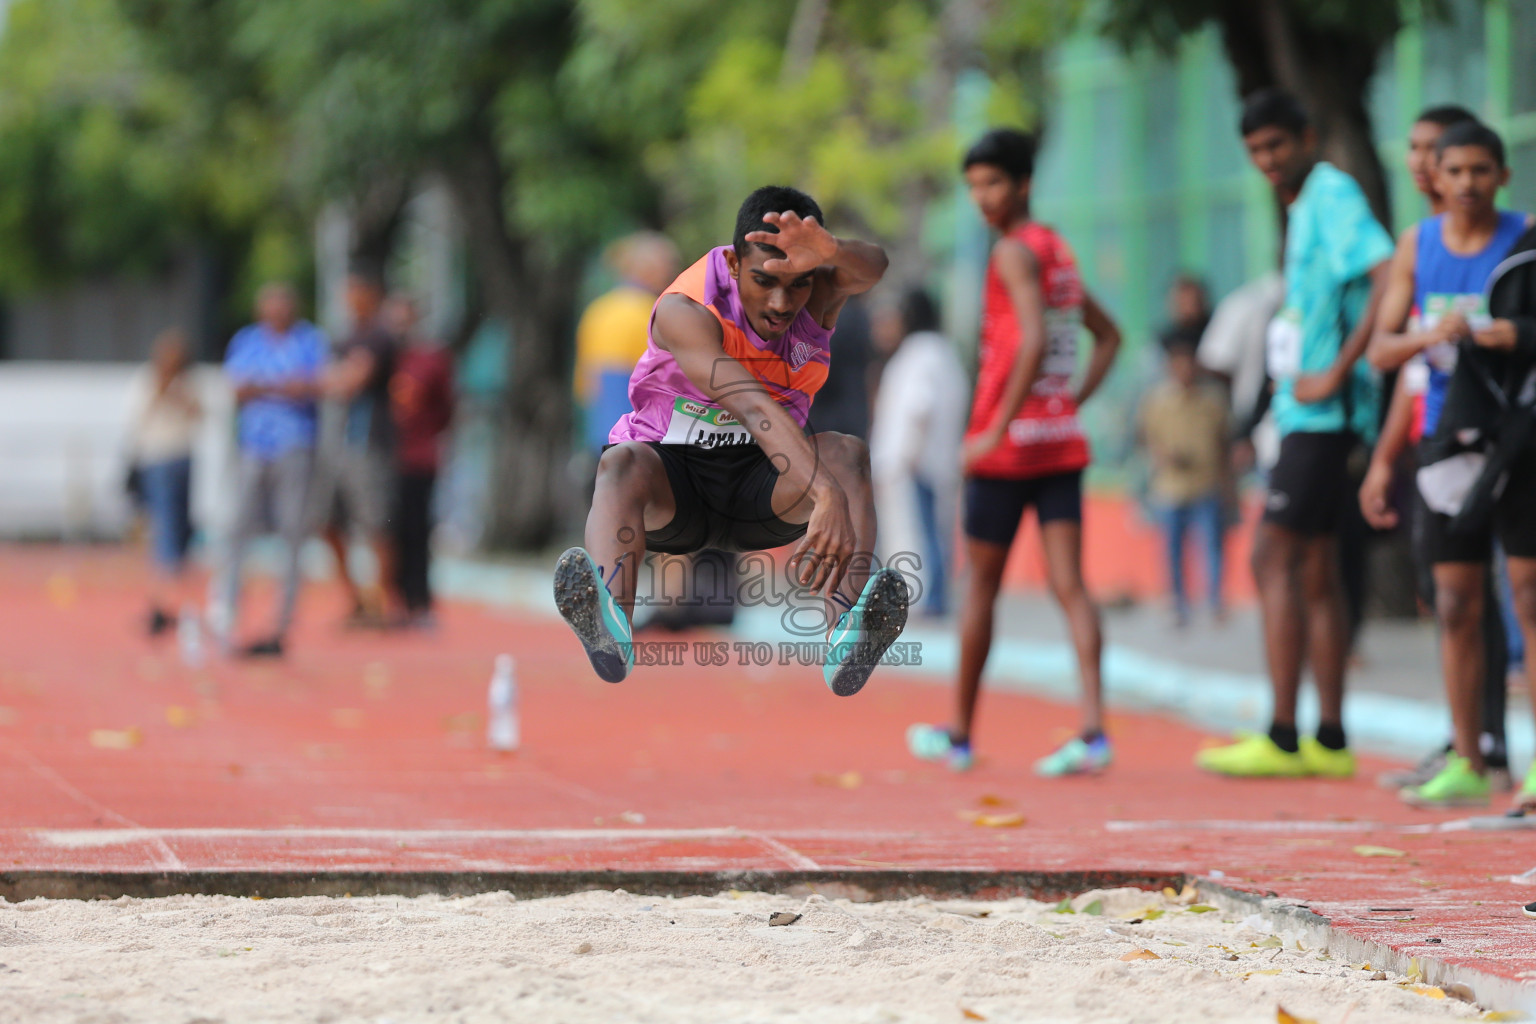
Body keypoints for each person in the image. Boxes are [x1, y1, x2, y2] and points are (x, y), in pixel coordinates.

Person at [553, 186, 907, 696]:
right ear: (735, 263)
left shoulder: (821, 288)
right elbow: (749, 404)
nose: (782, 303)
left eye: (797, 284)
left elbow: (874, 265)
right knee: (621, 464)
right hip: (677, 490)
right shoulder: (685, 308)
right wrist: (825, 494)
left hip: (761, 489)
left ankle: (847, 636)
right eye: (765, 282)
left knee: (848, 454)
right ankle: (610, 624)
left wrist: (830, 251)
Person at [908, 129, 1122, 775]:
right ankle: (1093, 731)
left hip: (1009, 457)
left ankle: (961, 736)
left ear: (1024, 183)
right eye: (973, 186)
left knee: (980, 592)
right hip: (1060, 446)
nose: (982, 198)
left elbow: (1030, 340)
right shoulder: (1057, 251)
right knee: (1070, 587)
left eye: (993, 183)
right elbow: (1109, 337)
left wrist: (996, 429)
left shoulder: (1010, 253)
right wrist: (1068, 403)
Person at [1196, 90, 1392, 780]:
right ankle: (1331, 739)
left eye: (1277, 145)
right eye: (1255, 151)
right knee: (1313, 572)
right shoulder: (1305, 204)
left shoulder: (1333, 194)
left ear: (1306, 136)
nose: (1267, 161)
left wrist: (1337, 369)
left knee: (1270, 559)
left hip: (1325, 415)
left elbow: (1386, 271)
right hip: (1308, 413)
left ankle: (1283, 736)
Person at [1358, 120, 1532, 807]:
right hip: (1443, 441)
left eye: (1479, 170)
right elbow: (1380, 348)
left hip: (1519, 437)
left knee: (1528, 596)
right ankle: (1468, 757)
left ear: (1501, 175)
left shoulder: (1525, 239)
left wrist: (1506, 333)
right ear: (1437, 173)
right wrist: (1432, 334)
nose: (1466, 183)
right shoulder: (1417, 244)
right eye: (1454, 170)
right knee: (1456, 601)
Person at [218, 283, 327, 658]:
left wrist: (269, 387)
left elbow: (313, 384)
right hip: (253, 446)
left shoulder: (309, 340)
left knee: (292, 530)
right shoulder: (247, 340)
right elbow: (238, 388)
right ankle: (227, 609)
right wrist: (283, 387)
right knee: (238, 528)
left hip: (295, 445)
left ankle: (284, 618)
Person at [869, 288, 969, 618]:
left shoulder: (920, 353)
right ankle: (933, 598)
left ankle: (929, 601)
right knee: (933, 531)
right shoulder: (942, 352)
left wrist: (909, 453)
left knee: (917, 533)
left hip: (912, 462)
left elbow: (919, 406)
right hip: (933, 460)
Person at [313, 271, 400, 627]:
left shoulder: (380, 336)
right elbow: (327, 378)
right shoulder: (343, 338)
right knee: (327, 522)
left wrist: (328, 379)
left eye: (356, 291)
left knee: (375, 525)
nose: (350, 299)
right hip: (338, 445)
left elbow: (350, 380)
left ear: (372, 293)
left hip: (370, 444)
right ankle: (357, 599)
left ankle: (381, 603)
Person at [1139, 338, 1231, 627]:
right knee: (1172, 551)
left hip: (1206, 483)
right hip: (1170, 488)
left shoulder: (1212, 402)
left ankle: (1215, 603)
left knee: (1212, 547)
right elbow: (1145, 436)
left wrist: (1228, 483)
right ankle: (1177, 604)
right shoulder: (1157, 401)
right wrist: (1162, 455)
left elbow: (1224, 442)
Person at [574, 232, 681, 452]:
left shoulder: (599, 309)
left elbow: (585, 386)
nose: (674, 272)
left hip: (600, 428)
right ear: (648, 269)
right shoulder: (649, 311)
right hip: (641, 434)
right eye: (669, 264)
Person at [386, 294, 455, 628]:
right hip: (382, 456)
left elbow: (446, 408)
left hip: (419, 456)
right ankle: (391, 601)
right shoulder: (382, 357)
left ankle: (420, 602)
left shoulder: (432, 359)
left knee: (417, 530)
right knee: (387, 532)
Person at [128, 328, 202, 636]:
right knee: (164, 527)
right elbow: (137, 420)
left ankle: (171, 598)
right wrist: (161, 388)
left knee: (180, 528)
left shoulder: (189, 383)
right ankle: (162, 600)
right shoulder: (147, 380)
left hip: (181, 458)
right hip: (156, 460)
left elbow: (199, 415)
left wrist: (177, 391)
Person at [1157, 274, 1211, 354]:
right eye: (1183, 301)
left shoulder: (1214, 331)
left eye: (1192, 300)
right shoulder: (1164, 341)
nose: (1188, 305)